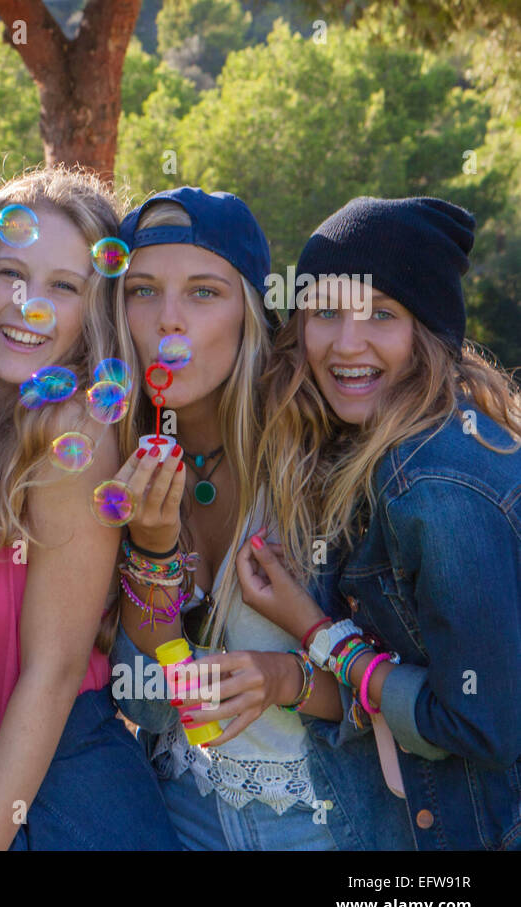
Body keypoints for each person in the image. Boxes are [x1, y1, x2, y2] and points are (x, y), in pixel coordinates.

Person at [107, 187, 411, 850]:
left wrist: (285, 679)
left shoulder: (327, 460)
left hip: (332, 822)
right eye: (143, 291)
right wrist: (152, 550)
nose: (168, 320)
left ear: (248, 310)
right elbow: (148, 703)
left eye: (204, 292)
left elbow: (432, 705)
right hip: (186, 816)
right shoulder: (115, 458)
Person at [239, 196, 521, 851]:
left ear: (430, 333)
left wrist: (316, 632)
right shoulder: (369, 452)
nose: (346, 343)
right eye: (326, 311)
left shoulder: (434, 484)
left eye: (381, 315)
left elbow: (482, 726)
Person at [0, 166, 180, 849]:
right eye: (10, 274)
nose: (32, 305)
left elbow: (51, 672)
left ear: (92, 313)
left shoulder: (72, 427)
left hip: (64, 779)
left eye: (64, 287)